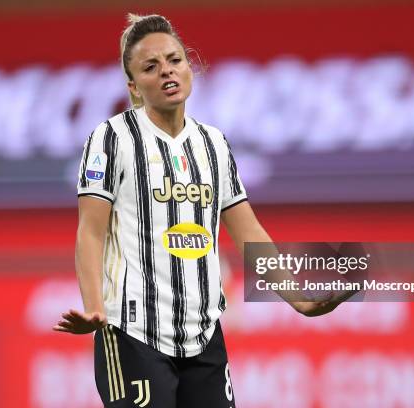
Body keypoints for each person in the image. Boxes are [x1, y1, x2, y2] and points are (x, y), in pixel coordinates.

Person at [53, 13, 351, 407]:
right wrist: (94, 306)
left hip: (204, 336)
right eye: (151, 67)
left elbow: (249, 231)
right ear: (134, 87)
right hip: (132, 334)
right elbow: (91, 230)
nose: (167, 72)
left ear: (189, 65)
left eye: (174, 60)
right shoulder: (111, 139)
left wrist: (298, 299)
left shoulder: (213, 144)